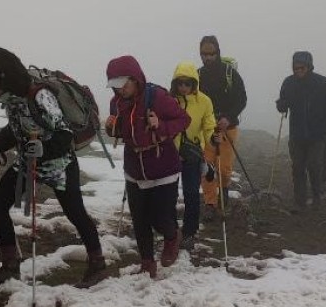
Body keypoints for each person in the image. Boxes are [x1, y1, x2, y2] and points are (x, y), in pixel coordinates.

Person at [0, 47, 108, 289]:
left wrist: (43, 150)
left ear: (5, 78)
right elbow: (17, 129)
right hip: (28, 162)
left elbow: (64, 135)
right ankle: (10, 265)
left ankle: (98, 263)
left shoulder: (40, 95)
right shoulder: (13, 100)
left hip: (59, 165)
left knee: (75, 213)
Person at [105, 55, 190, 279]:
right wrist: (111, 128)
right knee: (140, 219)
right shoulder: (116, 103)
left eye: (124, 84)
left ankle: (172, 237)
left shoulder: (158, 97)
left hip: (164, 169)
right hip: (134, 169)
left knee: (161, 218)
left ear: (135, 79)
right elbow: (119, 132)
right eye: (115, 85)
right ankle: (147, 263)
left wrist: (160, 125)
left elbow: (184, 120)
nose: (120, 90)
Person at [274, 51, 326, 213]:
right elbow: (282, 101)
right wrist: (281, 105)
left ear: (309, 66)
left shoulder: (322, 82)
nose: (298, 70)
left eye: (302, 67)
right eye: (295, 67)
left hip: (317, 134)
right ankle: (299, 201)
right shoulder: (289, 82)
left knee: (314, 166)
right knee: (298, 167)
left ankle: (316, 197)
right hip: (297, 134)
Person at [196, 35, 247, 217]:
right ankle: (210, 203)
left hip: (228, 127)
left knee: (224, 169)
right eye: (204, 54)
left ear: (217, 52)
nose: (207, 57)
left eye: (211, 53)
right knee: (207, 167)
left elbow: (241, 98)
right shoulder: (198, 75)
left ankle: (224, 189)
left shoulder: (230, 73)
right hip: (207, 130)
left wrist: (228, 117)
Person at [169, 61, 216, 252]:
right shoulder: (169, 100)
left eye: (188, 83)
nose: (183, 87)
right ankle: (170, 233)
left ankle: (189, 233)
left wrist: (213, 138)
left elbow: (208, 125)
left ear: (194, 83)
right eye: (179, 83)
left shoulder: (204, 101)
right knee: (169, 196)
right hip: (170, 154)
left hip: (193, 153)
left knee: (191, 194)